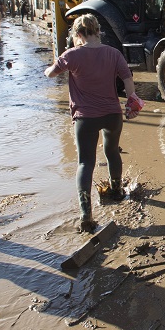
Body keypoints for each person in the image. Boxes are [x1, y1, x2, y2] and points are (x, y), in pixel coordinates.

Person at [44, 14, 138, 233]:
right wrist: (131, 101)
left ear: (78, 34)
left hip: (85, 118)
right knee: (112, 151)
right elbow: (127, 77)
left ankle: (86, 214)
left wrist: (48, 68)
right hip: (112, 114)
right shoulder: (113, 53)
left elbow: (51, 74)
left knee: (86, 163)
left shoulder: (72, 55)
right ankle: (116, 191)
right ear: (98, 30)